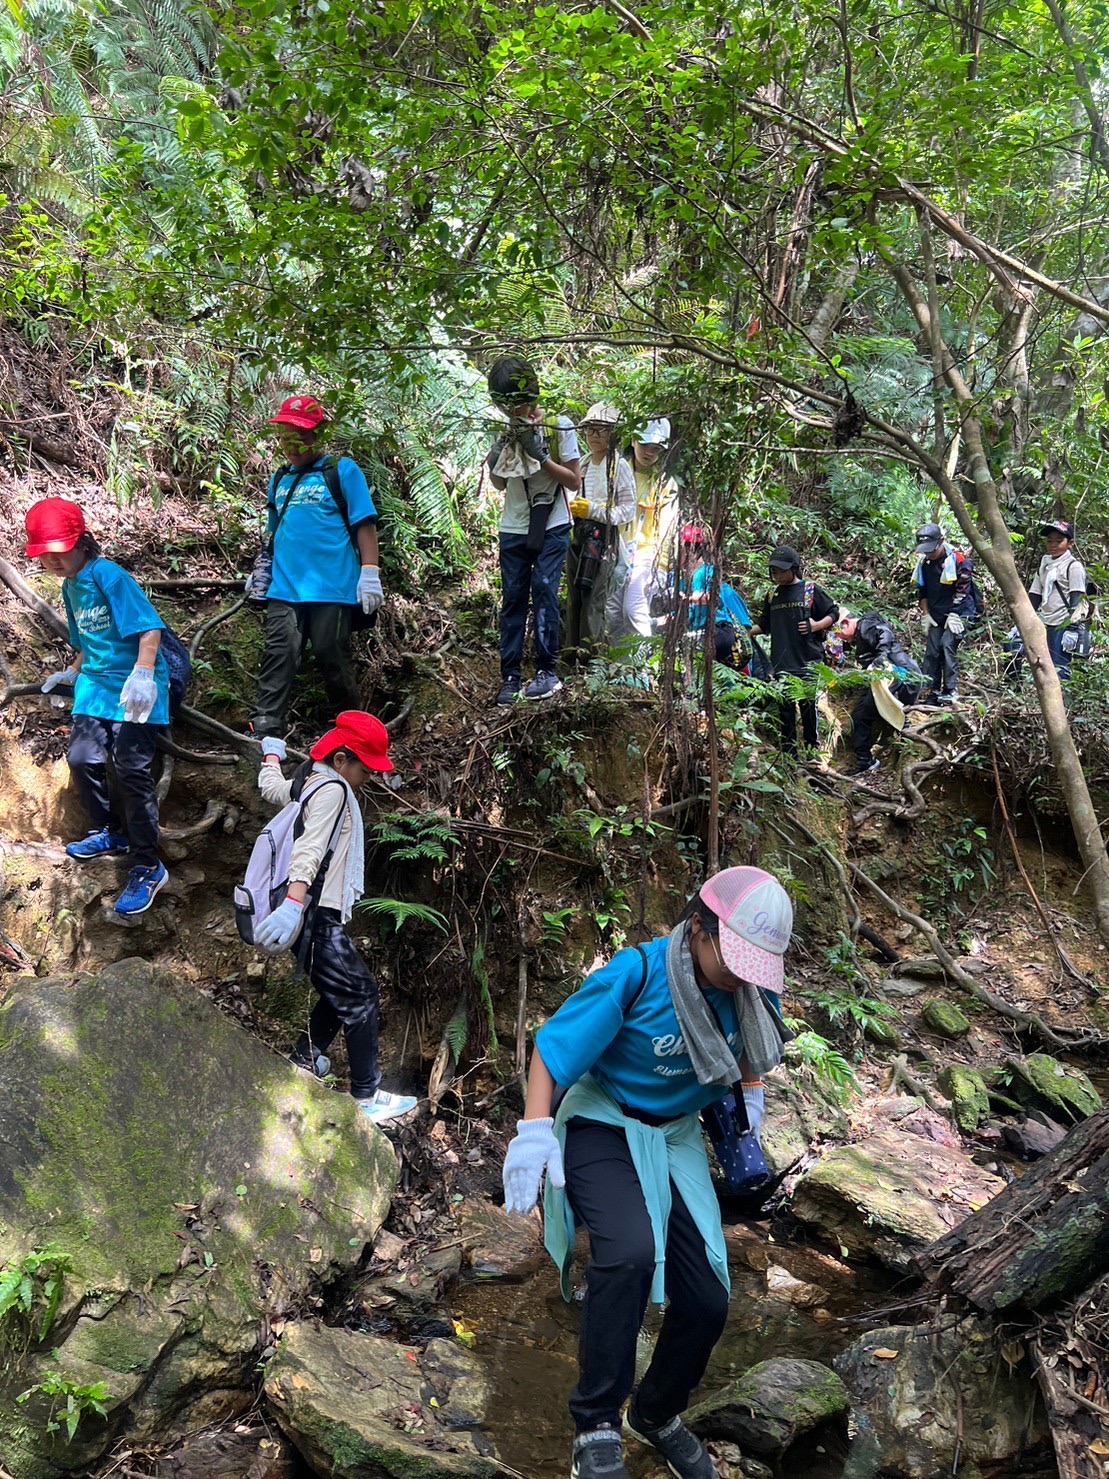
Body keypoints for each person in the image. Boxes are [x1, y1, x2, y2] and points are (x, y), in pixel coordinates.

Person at [502, 866, 793, 1479]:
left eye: (752, 966)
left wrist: (752, 1089)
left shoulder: (751, 989)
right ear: (698, 930)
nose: (741, 975)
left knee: (710, 1297)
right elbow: (552, 1048)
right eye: (731, 959)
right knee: (629, 1252)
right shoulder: (636, 976)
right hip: (604, 1118)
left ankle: (656, 1414)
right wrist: (532, 1134)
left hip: (677, 1134)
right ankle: (597, 1424)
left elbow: (748, 1048)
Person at [254, 712, 418, 1126]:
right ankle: (366, 1096)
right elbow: (309, 849)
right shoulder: (333, 790)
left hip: (307, 913)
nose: (369, 777)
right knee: (361, 994)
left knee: (338, 990)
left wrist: (271, 757)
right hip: (313, 915)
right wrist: (294, 904)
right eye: (366, 768)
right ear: (342, 759)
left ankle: (305, 1059)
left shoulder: (312, 777)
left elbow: (275, 790)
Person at [26, 497, 171, 917]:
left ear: (81, 541)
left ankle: (147, 864)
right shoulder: (71, 585)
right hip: (95, 684)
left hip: (135, 685)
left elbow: (149, 629)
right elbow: (86, 644)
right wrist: (71, 672)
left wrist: (143, 673)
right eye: (45, 556)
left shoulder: (108, 574)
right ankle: (111, 831)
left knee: (130, 766)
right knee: (82, 757)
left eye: (59, 551)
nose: (53, 562)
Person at [249, 395, 383, 737]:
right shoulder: (280, 479)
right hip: (284, 585)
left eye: (302, 437)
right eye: (285, 438)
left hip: (332, 587)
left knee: (331, 654)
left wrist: (370, 573)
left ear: (318, 435)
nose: (292, 446)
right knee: (280, 652)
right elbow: (274, 530)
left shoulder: (341, 471)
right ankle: (266, 728)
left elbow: (364, 525)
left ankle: (353, 731)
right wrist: (261, 569)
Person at [485, 357, 582, 704]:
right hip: (513, 525)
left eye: (519, 401)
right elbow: (498, 483)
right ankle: (510, 676)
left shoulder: (559, 426)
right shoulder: (504, 430)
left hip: (552, 522)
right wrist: (500, 449)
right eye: (507, 404)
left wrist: (539, 454)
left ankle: (547, 671)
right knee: (513, 598)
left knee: (544, 590)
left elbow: (573, 480)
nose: (515, 408)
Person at [748, 547, 838, 756]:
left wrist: (816, 625)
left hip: (807, 659)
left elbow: (833, 612)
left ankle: (812, 750)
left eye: (782, 571)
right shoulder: (773, 595)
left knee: (808, 706)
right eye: (774, 572)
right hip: (782, 661)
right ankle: (789, 754)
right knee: (785, 708)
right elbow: (766, 624)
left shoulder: (810, 590)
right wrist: (747, 632)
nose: (778, 575)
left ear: (794, 569)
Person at [564, 403, 636, 661]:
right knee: (574, 597)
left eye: (601, 430)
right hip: (578, 536)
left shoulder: (619, 466)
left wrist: (594, 510)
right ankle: (569, 658)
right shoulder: (582, 464)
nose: (594, 435)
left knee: (594, 601)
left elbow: (628, 509)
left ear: (614, 434)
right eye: (590, 430)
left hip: (603, 540)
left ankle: (589, 662)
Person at [607, 418, 680, 641]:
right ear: (633, 440)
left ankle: (641, 668)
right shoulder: (616, 471)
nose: (649, 452)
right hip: (615, 550)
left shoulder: (666, 483)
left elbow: (669, 526)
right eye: (644, 445)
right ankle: (617, 668)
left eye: (655, 448)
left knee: (634, 609)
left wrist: (663, 564)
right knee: (612, 613)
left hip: (646, 554)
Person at [836, 611, 923, 775]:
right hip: (884, 679)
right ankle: (865, 760)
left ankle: (910, 744)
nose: (840, 638)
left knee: (885, 711)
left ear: (846, 623)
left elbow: (884, 631)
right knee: (860, 716)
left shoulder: (866, 624)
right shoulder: (861, 635)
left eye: (838, 633)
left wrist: (882, 655)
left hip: (899, 674)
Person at [912, 522, 981, 703]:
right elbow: (923, 591)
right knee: (932, 649)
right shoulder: (925, 564)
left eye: (932, 549)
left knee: (947, 645)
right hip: (936, 612)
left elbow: (963, 590)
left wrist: (955, 614)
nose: (929, 554)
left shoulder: (960, 562)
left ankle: (950, 690)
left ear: (942, 541)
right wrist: (925, 614)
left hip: (960, 612)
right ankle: (931, 689)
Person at [1027, 520, 1089, 680]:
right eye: (1049, 541)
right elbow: (1035, 594)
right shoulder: (1045, 565)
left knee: (1060, 668)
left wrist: (1073, 629)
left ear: (1070, 543)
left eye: (1059, 540)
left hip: (1061, 625)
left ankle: (1063, 703)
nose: (1053, 545)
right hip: (1044, 622)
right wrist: (1024, 620)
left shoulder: (1073, 566)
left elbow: (1077, 599)